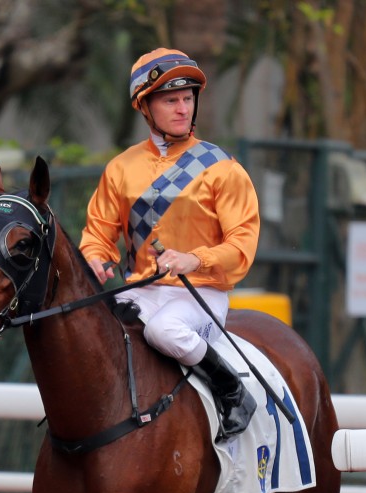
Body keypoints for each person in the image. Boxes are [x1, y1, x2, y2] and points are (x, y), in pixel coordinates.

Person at [80, 47, 261, 439]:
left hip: (200, 296)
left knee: (164, 332)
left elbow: (242, 247)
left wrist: (194, 260)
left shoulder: (223, 169)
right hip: (141, 291)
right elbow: (98, 232)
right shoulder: (121, 168)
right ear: (146, 108)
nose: (182, 109)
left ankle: (232, 390)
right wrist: (95, 257)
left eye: (187, 98)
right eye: (170, 100)